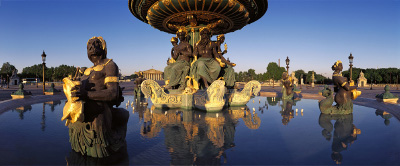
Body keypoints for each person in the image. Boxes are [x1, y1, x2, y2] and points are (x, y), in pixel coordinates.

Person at [66, 36, 128, 158]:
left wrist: (87, 94)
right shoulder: (86, 71)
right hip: (82, 110)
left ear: (103, 47)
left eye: (95, 44)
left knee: (97, 155)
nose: (91, 47)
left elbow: (112, 93)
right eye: (89, 46)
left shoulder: (109, 65)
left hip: (99, 109)